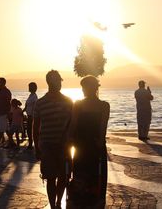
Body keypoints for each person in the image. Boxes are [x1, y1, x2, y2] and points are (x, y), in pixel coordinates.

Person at [67, 75, 110, 208]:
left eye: (84, 87)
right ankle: (95, 201)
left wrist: (68, 142)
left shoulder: (78, 104)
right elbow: (103, 128)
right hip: (95, 145)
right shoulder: (104, 106)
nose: (83, 90)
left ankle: (81, 201)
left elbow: (73, 125)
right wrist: (100, 143)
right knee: (96, 175)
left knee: (80, 175)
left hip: (81, 146)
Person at [33, 70, 73, 209]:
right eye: (58, 81)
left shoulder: (68, 102)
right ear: (51, 82)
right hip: (48, 145)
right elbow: (35, 126)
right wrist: (36, 147)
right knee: (50, 177)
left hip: (63, 145)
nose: (60, 84)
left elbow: (72, 124)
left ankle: (57, 203)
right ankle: (53, 205)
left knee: (63, 176)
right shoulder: (40, 103)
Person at [23, 82, 38, 149]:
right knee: (28, 130)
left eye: (30, 87)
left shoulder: (34, 96)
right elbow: (26, 105)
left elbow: (35, 107)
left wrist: (32, 115)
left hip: (31, 116)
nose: (29, 88)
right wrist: (22, 111)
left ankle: (31, 144)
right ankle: (30, 143)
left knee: (30, 130)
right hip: (28, 115)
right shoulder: (30, 96)